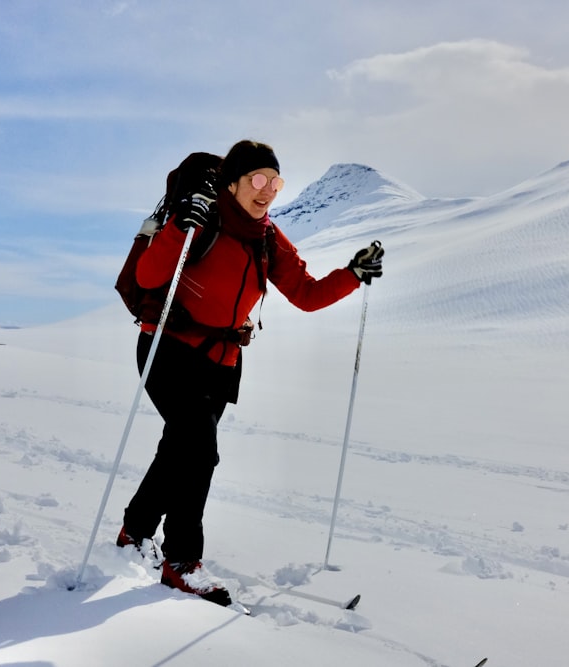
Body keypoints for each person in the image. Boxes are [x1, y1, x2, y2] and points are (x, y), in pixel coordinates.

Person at [116, 140, 384, 606]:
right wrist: (182, 225)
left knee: (181, 447)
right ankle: (181, 563)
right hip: (168, 350)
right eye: (258, 180)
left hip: (221, 362)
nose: (267, 191)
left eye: (275, 182)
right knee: (198, 450)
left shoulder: (267, 237)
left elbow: (305, 292)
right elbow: (149, 277)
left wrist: (352, 274)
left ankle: (133, 531)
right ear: (233, 182)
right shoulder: (204, 217)